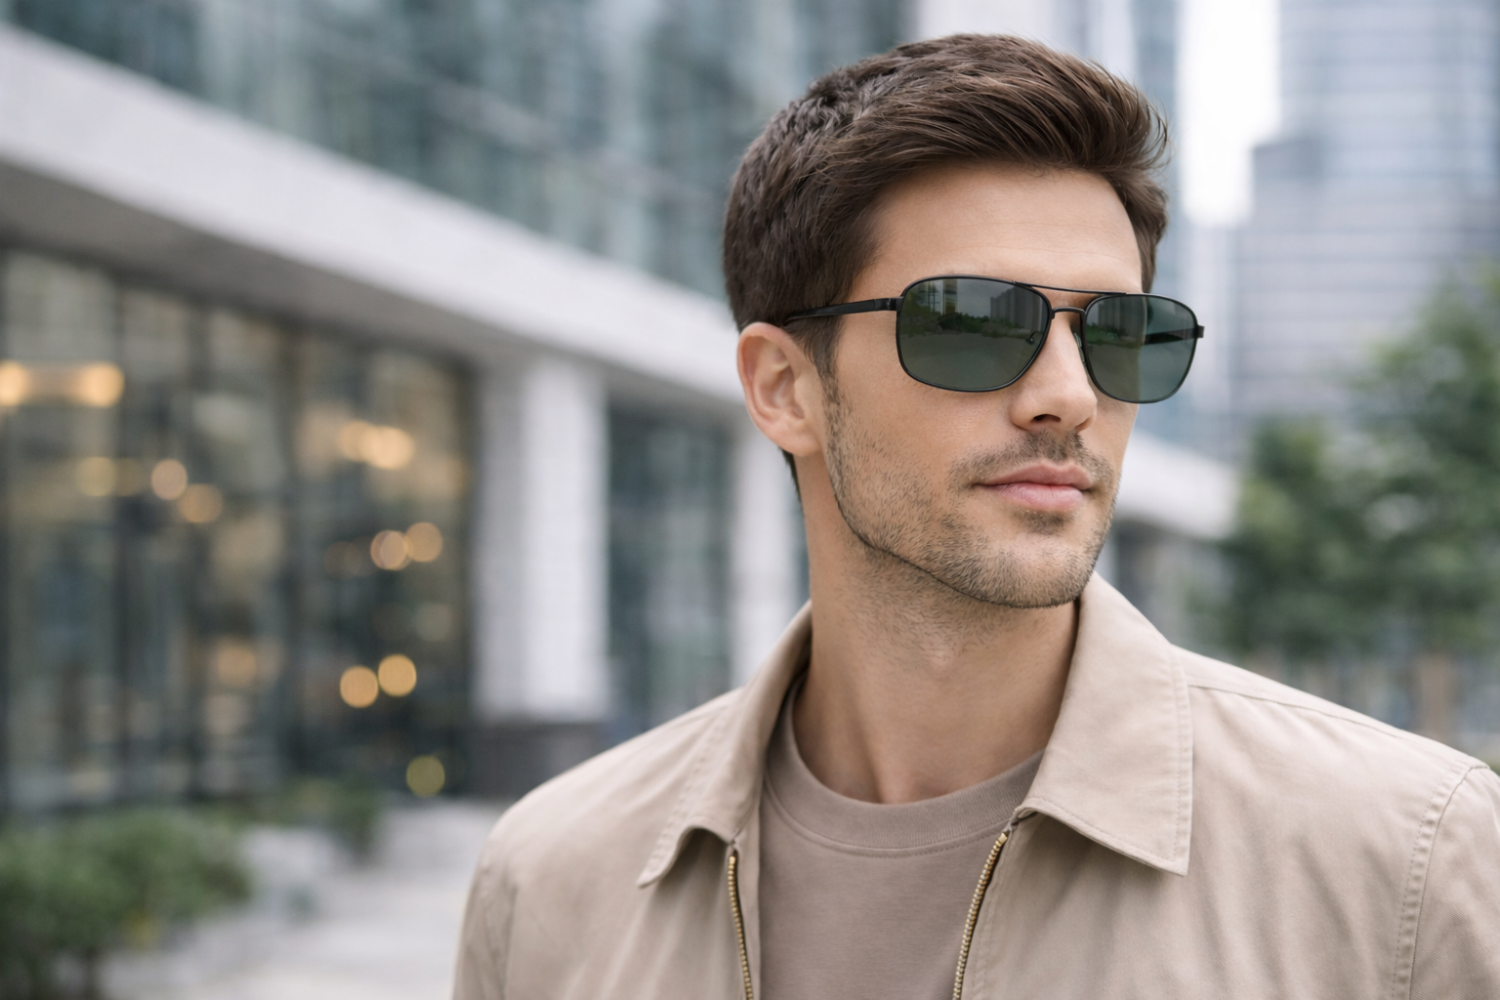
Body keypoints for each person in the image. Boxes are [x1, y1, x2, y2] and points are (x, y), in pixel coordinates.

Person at [454, 35, 1500, 999]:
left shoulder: (1407, 858)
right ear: (784, 386)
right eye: (969, 321)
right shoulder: (553, 878)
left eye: (1120, 332)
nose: (1069, 394)